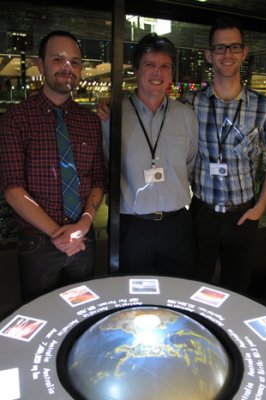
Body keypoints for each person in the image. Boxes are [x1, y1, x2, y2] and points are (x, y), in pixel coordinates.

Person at [181, 15, 266, 293]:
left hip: (243, 215)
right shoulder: (191, 103)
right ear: (208, 55)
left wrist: (260, 207)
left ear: (244, 52)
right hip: (202, 213)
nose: (227, 55)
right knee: (196, 285)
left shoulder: (263, 107)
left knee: (237, 288)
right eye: (220, 48)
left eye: (234, 47)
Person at [0, 31, 107, 301]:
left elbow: (98, 180)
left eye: (75, 61)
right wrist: (60, 236)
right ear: (40, 64)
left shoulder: (90, 121)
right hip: (38, 242)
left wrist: (83, 224)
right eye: (58, 59)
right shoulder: (16, 119)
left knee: (83, 312)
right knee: (41, 316)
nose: (67, 67)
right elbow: (12, 188)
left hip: (84, 238)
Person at [100, 33, 198, 277]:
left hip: (177, 225)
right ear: (135, 70)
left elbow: (189, 163)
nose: (158, 73)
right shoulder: (113, 115)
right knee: (131, 293)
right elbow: (104, 164)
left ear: (172, 73)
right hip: (131, 226)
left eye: (165, 66)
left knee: (177, 292)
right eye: (150, 65)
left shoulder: (187, 116)